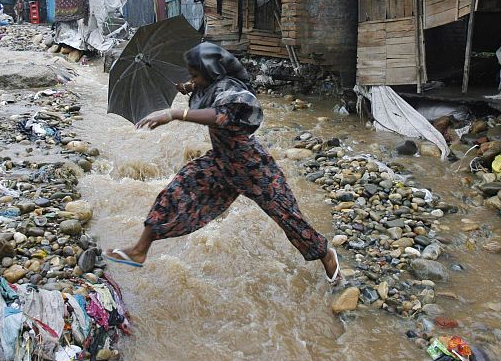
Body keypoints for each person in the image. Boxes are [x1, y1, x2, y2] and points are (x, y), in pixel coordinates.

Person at [105, 42, 342, 284]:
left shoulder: (232, 91)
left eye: (196, 75)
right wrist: (188, 87)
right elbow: (206, 92)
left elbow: (219, 115)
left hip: (252, 168)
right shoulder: (211, 85)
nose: (193, 79)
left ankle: (326, 255)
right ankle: (139, 250)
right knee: (176, 190)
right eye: (192, 75)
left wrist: (174, 113)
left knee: (288, 217)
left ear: (212, 73)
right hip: (220, 162)